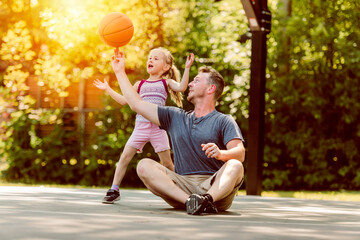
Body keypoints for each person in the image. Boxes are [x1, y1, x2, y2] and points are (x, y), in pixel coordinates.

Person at [112, 49, 245, 215]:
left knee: (235, 165)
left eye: (196, 81)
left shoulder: (224, 120)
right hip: (182, 187)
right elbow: (136, 104)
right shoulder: (174, 116)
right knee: (144, 165)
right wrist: (119, 72)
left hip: (215, 186)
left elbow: (240, 154)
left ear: (210, 88)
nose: (190, 83)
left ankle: (206, 200)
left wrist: (221, 154)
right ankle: (191, 201)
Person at [94, 47, 194, 204]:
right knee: (124, 157)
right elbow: (123, 100)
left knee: (167, 163)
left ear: (166, 67)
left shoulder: (166, 82)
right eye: (150, 58)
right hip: (140, 128)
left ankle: (180, 190)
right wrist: (108, 89)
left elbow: (181, 87)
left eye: (155, 58)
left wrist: (187, 68)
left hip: (158, 129)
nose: (150, 60)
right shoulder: (139, 84)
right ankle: (114, 189)